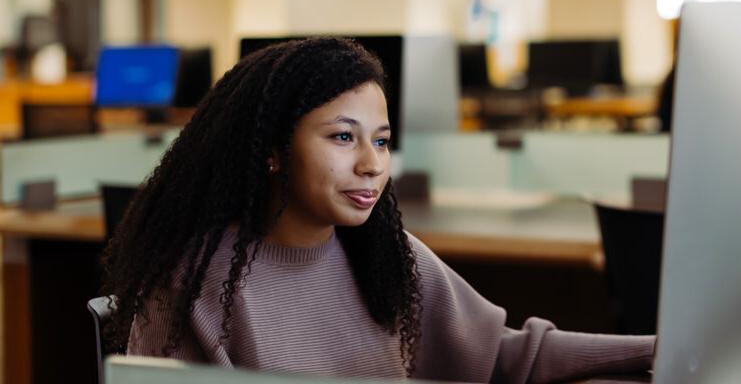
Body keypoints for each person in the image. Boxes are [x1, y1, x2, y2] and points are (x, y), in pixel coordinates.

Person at [102, 37, 654, 383]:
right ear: (271, 151)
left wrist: (661, 353)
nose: (372, 164)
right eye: (344, 138)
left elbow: (508, 358)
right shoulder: (195, 282)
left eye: (383, 141)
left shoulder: (386, 253)